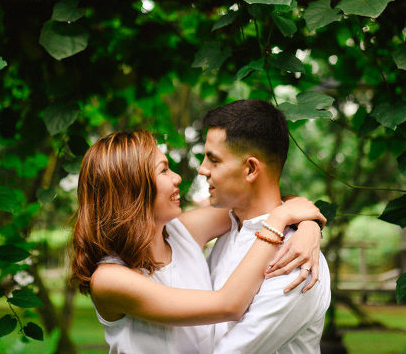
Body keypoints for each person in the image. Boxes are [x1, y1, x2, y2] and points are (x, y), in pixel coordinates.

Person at [70, 129, 326, 354]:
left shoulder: (182, 232)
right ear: (132, 188)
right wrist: (281, 219)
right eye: (163, 170)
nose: (177, 178)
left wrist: (308, 227)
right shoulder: (110, 279)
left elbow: (258, 200)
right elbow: (229, 305)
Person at [200, 99, 332, 353]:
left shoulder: (295, 260)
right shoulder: (228, 232)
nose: (202, 169)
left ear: (251, 169)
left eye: (213, 160)